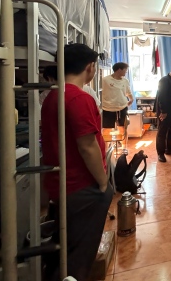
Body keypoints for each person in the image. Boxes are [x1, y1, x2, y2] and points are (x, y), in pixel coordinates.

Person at [42, 43, 114, 281]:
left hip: (64, 183)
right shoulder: (79, 98)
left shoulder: (53, 95)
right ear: (90, 67)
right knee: (80, 254)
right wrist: (103, 183)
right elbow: (87, 146)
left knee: (68, 245)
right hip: (81, 185)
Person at [102, 62, 134, 135]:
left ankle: (123, 142)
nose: (126, 72)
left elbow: (128, 92)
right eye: (125, 70)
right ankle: (107, 142)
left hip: (122, 107)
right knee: (107, 129)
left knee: (123, 128)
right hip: (108, 108)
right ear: (119, 70)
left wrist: (131, 99)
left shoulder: (125, 81)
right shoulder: (105, 80)